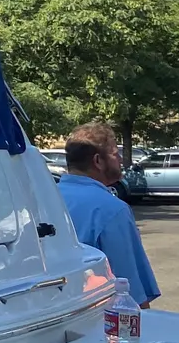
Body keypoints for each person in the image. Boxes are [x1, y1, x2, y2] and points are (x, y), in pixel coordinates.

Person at [58, 122, 160, 306]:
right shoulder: (111, 210)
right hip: (97, 320)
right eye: (115, 153)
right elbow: (129, 291)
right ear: (98, 161)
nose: (120, 159)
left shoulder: (43, 200)